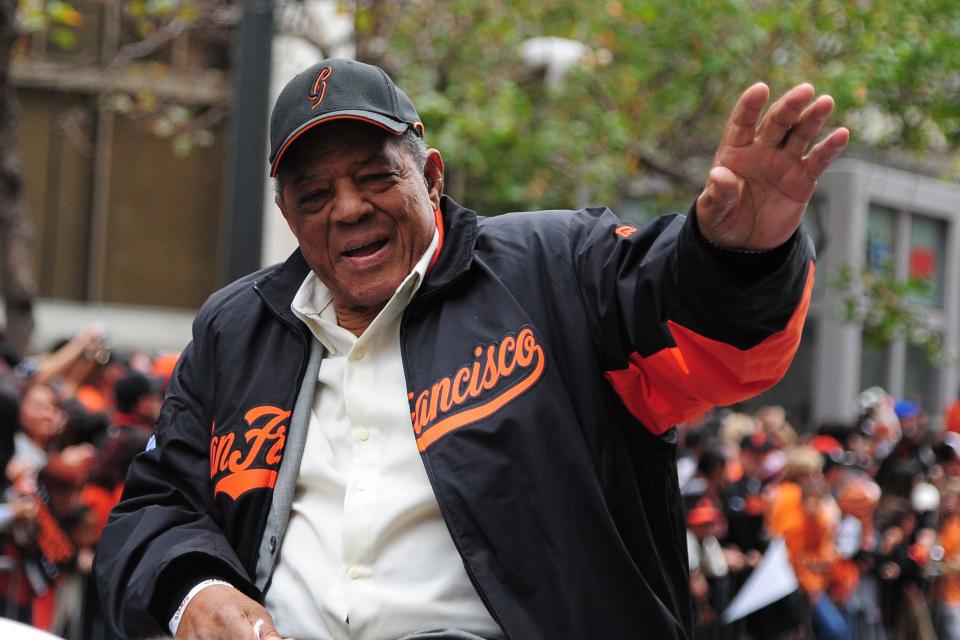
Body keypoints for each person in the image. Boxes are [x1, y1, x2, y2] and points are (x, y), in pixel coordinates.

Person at [94, 58, 848, 639]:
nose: (348, 208)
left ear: (430, 174)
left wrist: (738, 256)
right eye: (314, 194)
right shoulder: (235, 328)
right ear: (287, 213)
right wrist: (198, 589)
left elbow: (710, 347)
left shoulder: (560, 267)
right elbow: (154, 505)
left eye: (372, 177)